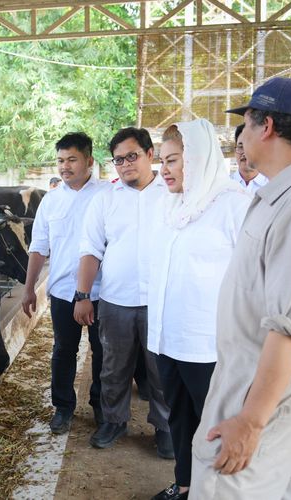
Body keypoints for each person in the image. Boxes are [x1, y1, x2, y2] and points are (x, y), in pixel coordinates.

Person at [189, 77, 291, 499]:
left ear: (267, 126)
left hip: (257, 395)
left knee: (227, 487)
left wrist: (250, 421)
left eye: (244, 124)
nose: (240, 137)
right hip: (268, 389)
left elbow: (290, 324)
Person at [148, 119, 250, 500]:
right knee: (180, 416)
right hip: (168, 336)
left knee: (215, 425)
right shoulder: (170, 205)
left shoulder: (233, 207)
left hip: (209, 343)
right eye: (162, 160)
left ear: (199, 159)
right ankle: (186, 484)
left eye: (173, 160)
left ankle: (219, 491)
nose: (164, 170)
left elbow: (255, 279)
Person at [73, 127, 172, 455]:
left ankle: (165, 427)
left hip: (162, 300)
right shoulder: (105, 199)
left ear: (150, 155)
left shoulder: (172, 195)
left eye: (132, 156)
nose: (126, 164)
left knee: (161, 369)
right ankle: (113, 420)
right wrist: (83, 295)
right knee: (113, 366)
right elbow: (90, 250)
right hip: (116, 300)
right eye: (118, 160)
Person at [22, 132, 110, 434]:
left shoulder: (107, 196)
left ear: (89, 161)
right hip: (61, 291)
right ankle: (63, 407)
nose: (65, 166)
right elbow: (39, 247)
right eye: (60, 160)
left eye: (72, 159)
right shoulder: (50, 200)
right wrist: (28, 288)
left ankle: (101, 406)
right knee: (63, 350)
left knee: (103, 352)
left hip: (102, 291)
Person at [231, 123, 268, 192]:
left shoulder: (271, 187)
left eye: (251, 147)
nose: (245, 153)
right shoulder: (224, 185)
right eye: (241, 147)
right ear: (235, 150)